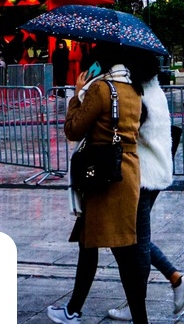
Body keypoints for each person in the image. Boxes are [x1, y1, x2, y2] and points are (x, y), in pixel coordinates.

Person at [48, 44, 149, 324]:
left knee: (122, 252)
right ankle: (73, 309)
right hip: (126, 173)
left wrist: (76, 95)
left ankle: (140, 320)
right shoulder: (133, 89)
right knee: (89, 242)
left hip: (103, 176)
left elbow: (73, 130)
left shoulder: (101, 89)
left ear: (100, 63)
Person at [106, 48, 184, 321]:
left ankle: (147, 299)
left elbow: (127, 131)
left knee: (134, 243)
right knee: (135, 240)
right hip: (154, 172)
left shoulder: (136, 94)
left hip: (141, 175)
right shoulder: (153, 89)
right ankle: (172, 281)